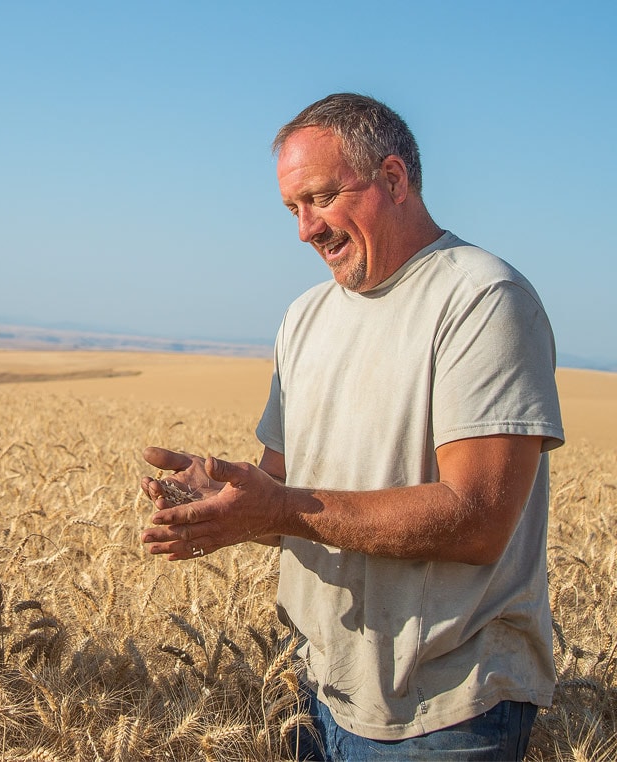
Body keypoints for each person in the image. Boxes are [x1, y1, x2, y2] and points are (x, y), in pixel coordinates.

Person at [140, 94, 563, 760]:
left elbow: (478, 518)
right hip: (313, 690)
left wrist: (277, 506)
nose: (306, 229)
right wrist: (225, 502)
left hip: (445, 709)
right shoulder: (304, 318)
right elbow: (283, 488)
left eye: (322, 198)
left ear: (394, 180)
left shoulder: (482, 300)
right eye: (292, 209)